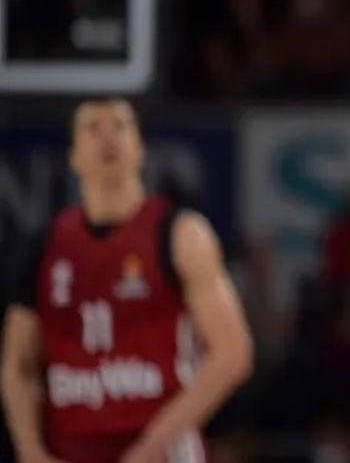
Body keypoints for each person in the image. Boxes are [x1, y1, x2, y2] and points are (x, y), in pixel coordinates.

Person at [1, 98, 253, 463]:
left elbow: (233, 354)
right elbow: (17, 365)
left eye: (120, 126)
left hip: (161, 449)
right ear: (73, 155)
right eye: (93, 128)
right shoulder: (45, 245)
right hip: (69, 447)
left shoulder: (181, 234)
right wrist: (30, 450)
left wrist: (150, 447)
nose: (108, 138)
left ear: (140, 148)